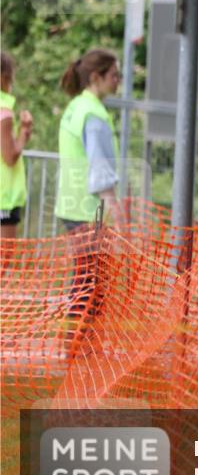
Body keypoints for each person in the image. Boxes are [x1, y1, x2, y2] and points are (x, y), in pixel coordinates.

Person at [55, 49, 123, 321]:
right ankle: (80, 352)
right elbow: (100, 169)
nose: (118, 80)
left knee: (85, 283)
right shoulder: (94, 115)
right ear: (96, 77)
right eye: (114, 75)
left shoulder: (76, 106)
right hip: (89, 211)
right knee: (91, 288)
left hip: (73, 207)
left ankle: (79, 350)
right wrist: (115, 213)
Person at [1, 52, 34, 239]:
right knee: (3, 263)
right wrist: (24, 132)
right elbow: (9, 157)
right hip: (4, 199)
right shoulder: (4, 113)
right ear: (5, 77)